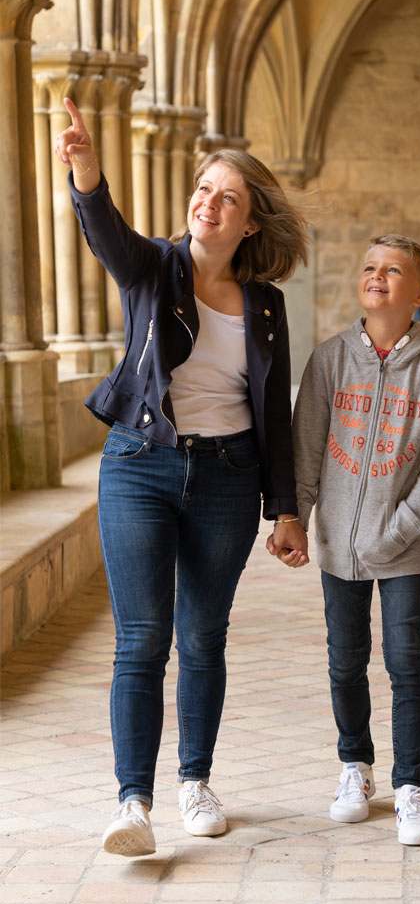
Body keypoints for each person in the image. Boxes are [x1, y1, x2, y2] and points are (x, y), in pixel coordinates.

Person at [55, 98, 310, 857]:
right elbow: (106, 234)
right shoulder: (154, 269)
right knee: (142, 638)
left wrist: (285, 509)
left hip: (229, 476)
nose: (208, 203)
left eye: (226, 197)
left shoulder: (264, 306)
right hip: (140, 466)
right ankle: (133, 803)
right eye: (203, 190)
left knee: (202, 635)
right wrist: (86, 168)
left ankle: (195, 782)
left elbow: (274, 409)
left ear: (250, 223)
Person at [291, 234, 420, 846]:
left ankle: (411, 785)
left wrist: (400, 528)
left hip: (403, 549)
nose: (377, 276)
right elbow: (308, 447)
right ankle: (354, 766)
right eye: (369, 266)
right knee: (345, 660)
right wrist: (296, 517)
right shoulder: (330, 359)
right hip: (338, 544)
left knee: (405, 662)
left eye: (393, 270)